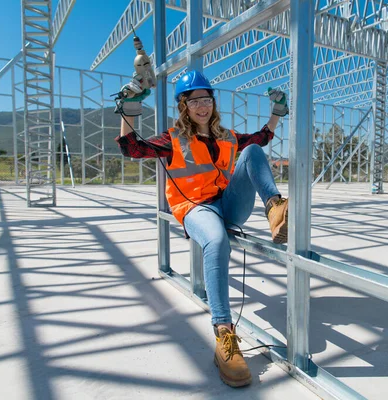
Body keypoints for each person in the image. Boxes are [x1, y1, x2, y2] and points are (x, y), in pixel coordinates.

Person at [114, 70, 290, 388]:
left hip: (228, 203)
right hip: (196, 208)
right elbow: (133, 149)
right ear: (184, 105)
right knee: (216, 240)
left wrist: (277, 112)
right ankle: (224, 335)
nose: (202, 105)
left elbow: (260, 139)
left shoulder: (225, 136)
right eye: (194, 100)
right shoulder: (173, 139)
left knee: (252, 151)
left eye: (206, 98)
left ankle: (275, 208)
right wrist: (128, 109)